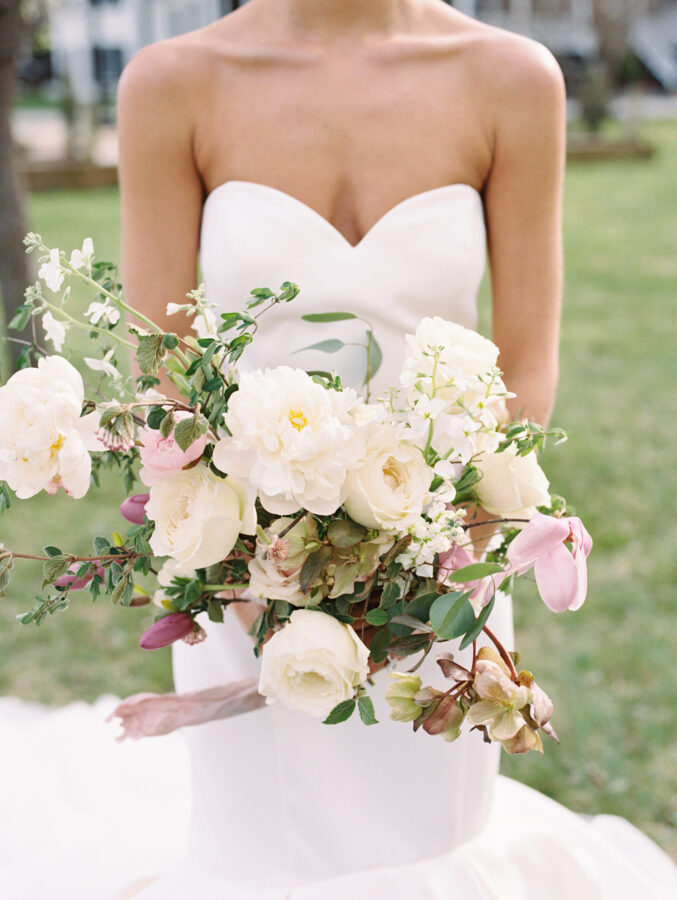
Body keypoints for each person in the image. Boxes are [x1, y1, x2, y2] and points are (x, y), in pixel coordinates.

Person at [16, 1, 670, 898]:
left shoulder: (512, 80)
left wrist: (433, 560)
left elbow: (523, 371)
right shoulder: (172, 83)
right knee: (265, 857)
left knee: (428, 848)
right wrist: (253, 573)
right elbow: (162, 361)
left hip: (447, 564)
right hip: (242, 572)